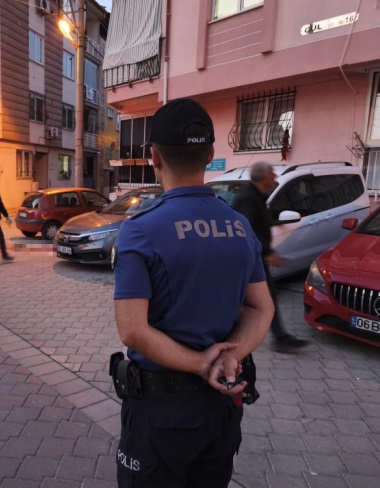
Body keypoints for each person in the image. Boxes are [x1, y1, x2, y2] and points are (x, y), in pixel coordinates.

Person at [112, 98, 274, 487]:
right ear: (211, 154)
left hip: (161, 413)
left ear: (154, 157)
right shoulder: (239, 226)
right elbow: (261, 308)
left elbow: (133, 330)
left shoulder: (140, 230)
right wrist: (230, 356)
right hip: (222, 406)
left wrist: (201, 363)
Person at [232, 161, 309, 352]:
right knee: (262, 298)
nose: (275, 177)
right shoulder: (248, 198)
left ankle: (279, 337)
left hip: (255, 256)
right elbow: (247, 231)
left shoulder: (257, 195)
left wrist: (273, 223)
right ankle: (278, 338)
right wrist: (267, 252)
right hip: (251, 258)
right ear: (263, 177)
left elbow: (258, 221)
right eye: (272, 174)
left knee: (263, 297)